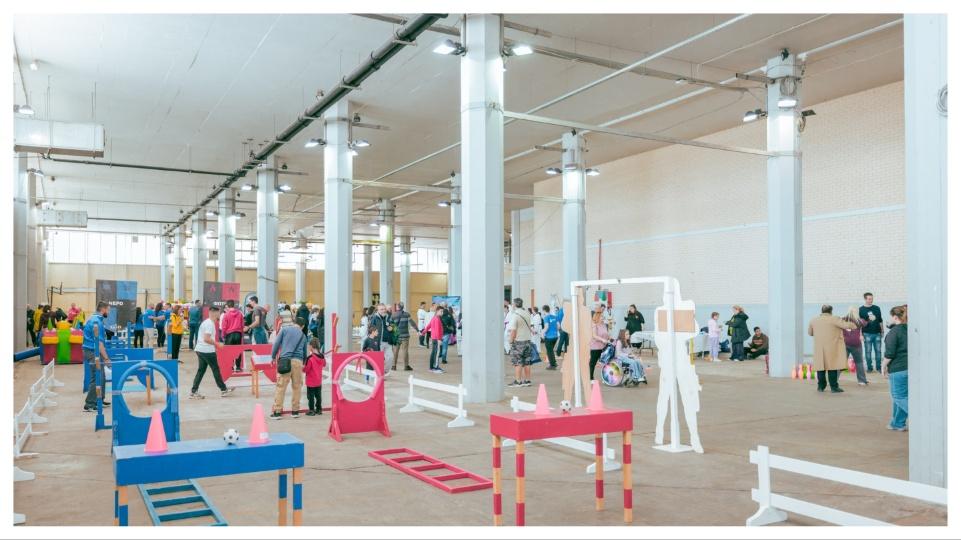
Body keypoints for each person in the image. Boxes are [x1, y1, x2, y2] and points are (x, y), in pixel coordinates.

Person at [808, 304, 857, 393]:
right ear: (831, 311)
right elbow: (846, 325)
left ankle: (821, 387)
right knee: (832, 367)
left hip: (819, 348)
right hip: (832, 347)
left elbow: (810, 333)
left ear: (822, 311)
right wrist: (854, 323)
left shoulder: (813, 320)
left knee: (820, 367)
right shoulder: (834, 319)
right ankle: (834, 387)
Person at [269, 314, 308, 419]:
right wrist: (303, 362)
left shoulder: (285, 329)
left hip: (285, 361)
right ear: (303, 326)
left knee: (281, 387)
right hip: (298, 362)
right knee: (297, 387)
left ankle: (277, 412)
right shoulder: (303, 336)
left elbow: (276, 343)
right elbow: (305, 352)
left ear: (294, 322)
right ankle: (295, 411)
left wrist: (272, 357)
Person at [190, 305, 233, 399]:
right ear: (215, 313)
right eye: (219, 312)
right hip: (207, 350)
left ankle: (194, 391)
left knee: (201, 370)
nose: (220, 314)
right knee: (215, 369)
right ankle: (223, 389)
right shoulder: (210, 324)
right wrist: (217, 344)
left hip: (200, 349)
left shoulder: (207, 322)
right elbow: (206, 339)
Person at [82, 302, 112, 412]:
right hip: (92, 351)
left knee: (102, 376)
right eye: (108, 310)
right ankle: (89, 404)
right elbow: (99, 343)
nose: (108, 312)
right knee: (97, 377)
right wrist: (106, 358)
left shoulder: (96, 319)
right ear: (103, 309)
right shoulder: (96, 322)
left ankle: (99, 400)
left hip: (92, 350)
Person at [882, 305, 908, 431]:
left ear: (895, 317)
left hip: (898, 369)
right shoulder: (909, 329)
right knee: (902, 397)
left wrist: (883, 366)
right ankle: (897, 423)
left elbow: (890, 354)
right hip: (909, 368)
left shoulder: (894, 332)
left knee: (899, 397)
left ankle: (923, 417)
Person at [506, 298, 534, 388]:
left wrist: (510, 341)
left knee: (518, 362)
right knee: (527, 362)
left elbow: (513, 330)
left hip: (518, 341)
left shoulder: (515, 315)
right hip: (528, 340)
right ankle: (527, 380)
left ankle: (518, 381)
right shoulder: (527, 313)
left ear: (514, 305)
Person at [842, 306, 869, 386]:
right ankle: (862, 381)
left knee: (841, 362)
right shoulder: (860, 321)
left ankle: (833, 380)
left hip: (845, 343)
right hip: (856, 344)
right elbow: (866, 323)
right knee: (859, 362)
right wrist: (869, 319)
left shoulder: (843, 319)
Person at [859, 292, 885, 373]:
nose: (871, 300)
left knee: (878, 351)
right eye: (869, 299)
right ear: (865, 299)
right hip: (866, 334)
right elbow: (860, 323)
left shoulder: (877, 308)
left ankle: (878, 368)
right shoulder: (861, 309)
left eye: (872, 299)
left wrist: (882, 330)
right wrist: (860, 334)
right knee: (868, 351)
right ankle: (869, 368)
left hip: (877, 333)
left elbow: (880, 320)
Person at [368, 304, 395, 375]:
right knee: (379, 359)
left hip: (388, 342)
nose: (383, 311)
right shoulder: (374, 318)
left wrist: (391, 328)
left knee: (390, 357)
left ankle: (385, 371)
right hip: (378, 342)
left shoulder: (388, 317)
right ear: (378, 310)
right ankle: (379, 374)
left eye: (384, 309)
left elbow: (392, 325)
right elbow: (370, 329)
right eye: (381, 309)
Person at [303, 337, 326, 416]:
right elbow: (324, 364)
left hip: (311, 381)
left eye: (309, 346)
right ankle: (319, 409)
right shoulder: (322, 356)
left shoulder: (310, 358)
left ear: (311, 347)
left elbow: (306, 369)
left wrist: (302, 367)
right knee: (318, 396)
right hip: (318, 381)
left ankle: (311, 410)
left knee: (310, 397)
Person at [391, 302, 416, 371]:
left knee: (395, 351)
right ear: (403, 307)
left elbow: (391, 325)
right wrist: (417, 330)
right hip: (405, 336)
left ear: (398, 307)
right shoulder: (407, 314)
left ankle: (393, 366)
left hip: (396, 336)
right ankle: (406, 366)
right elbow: (412, 323)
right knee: (405, 351)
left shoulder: (393, 315)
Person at [221, 299, 245, 371]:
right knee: (238, 351)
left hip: (229, 335)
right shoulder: (240, 313)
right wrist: (242, 334)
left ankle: (230, 367)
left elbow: (224, 327)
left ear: (227, 306)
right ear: (233, 305)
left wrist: (223, 335)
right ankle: (238, 367)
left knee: (229, 351)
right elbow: (242, 325)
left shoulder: (226, 314)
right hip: (238, 334)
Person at [422, 306, 445, 373]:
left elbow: (429, 326)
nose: (442, 313)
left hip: (434, 338)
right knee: (436, 354)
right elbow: (437, 330)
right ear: (437, 311)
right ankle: (435, 367)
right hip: (436, 339)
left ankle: (431, 367)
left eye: (442, 311)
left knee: (433, 353)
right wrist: (439, 339)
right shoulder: (437, 319)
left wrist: (423, 332)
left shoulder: (434, 318)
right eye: (441, 311)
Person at [589, 310, 611, 381]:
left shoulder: (604, 325)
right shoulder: (594, 324)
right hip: (595, 347)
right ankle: (590, 378)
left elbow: (606, 334)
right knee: (593, 363)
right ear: (597, 317)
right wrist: (602, 340)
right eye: (601, 316)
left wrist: (610, 338)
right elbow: (594, 335)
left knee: (606, 362)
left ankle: (607, 378)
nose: (603, 317)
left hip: (604, 347)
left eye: (603, 316)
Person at [541, 305, 562, 370]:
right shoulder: (555, 317)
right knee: (550, 351)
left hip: (549, 337)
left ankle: (553, 365)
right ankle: (553, 363)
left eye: (542, 311)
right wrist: (554, 330)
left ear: (544, 310)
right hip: (555, 336)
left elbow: (546, 327)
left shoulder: (546, 318)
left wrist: (542, 333)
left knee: (549, 351)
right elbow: (559, 326)